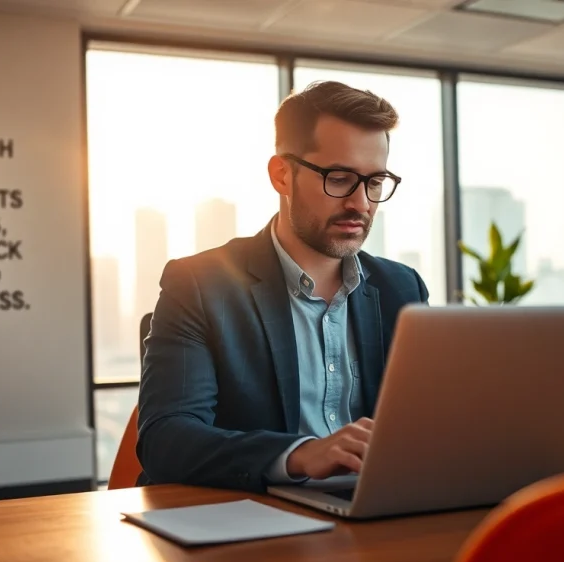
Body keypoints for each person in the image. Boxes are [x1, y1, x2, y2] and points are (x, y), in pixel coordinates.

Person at [136, 80, 429, 493]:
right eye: (340, 178)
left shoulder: (403, 288)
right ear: (281, 175)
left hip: (373, 514)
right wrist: (300, 454)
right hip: (252, 520)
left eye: (375, 182)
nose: (361, 203)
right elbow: (166, 439)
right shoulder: (200, 285)